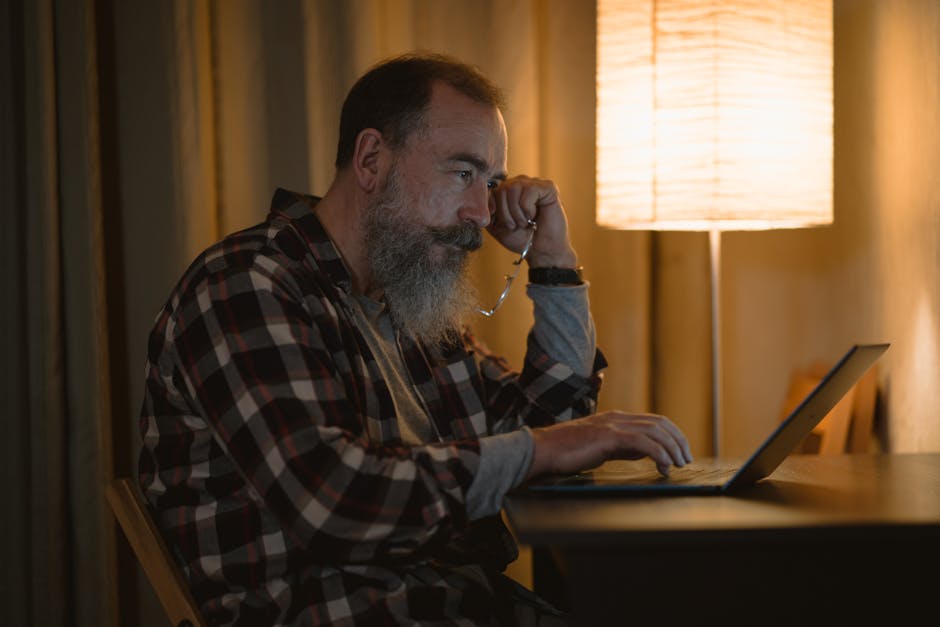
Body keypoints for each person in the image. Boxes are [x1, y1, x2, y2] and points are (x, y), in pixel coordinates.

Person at [138, 52, 692, 626]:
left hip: (457, 605)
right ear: (372, 159)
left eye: (492, 182)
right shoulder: (245, 286)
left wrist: (553, 260)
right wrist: (549, 447)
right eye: (462, 173)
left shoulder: (407, 296)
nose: (481, 211)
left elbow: (552, 429)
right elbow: (334, 501)